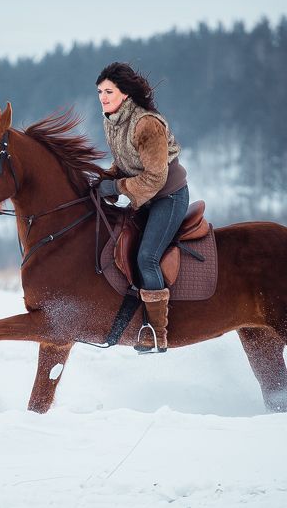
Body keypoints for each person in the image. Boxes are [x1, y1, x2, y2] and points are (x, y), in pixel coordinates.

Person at [95, 62, 189, 354]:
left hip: (167, 196)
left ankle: (157, 334)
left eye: (109, 91)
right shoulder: (112, 119)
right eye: (100, 91)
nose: (103, 97)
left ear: (125, 93)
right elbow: (126, 163)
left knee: (146, 257)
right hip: (145, 195)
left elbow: (154, 177)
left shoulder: (146, 123)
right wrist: (104, 179)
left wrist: (117, 188)